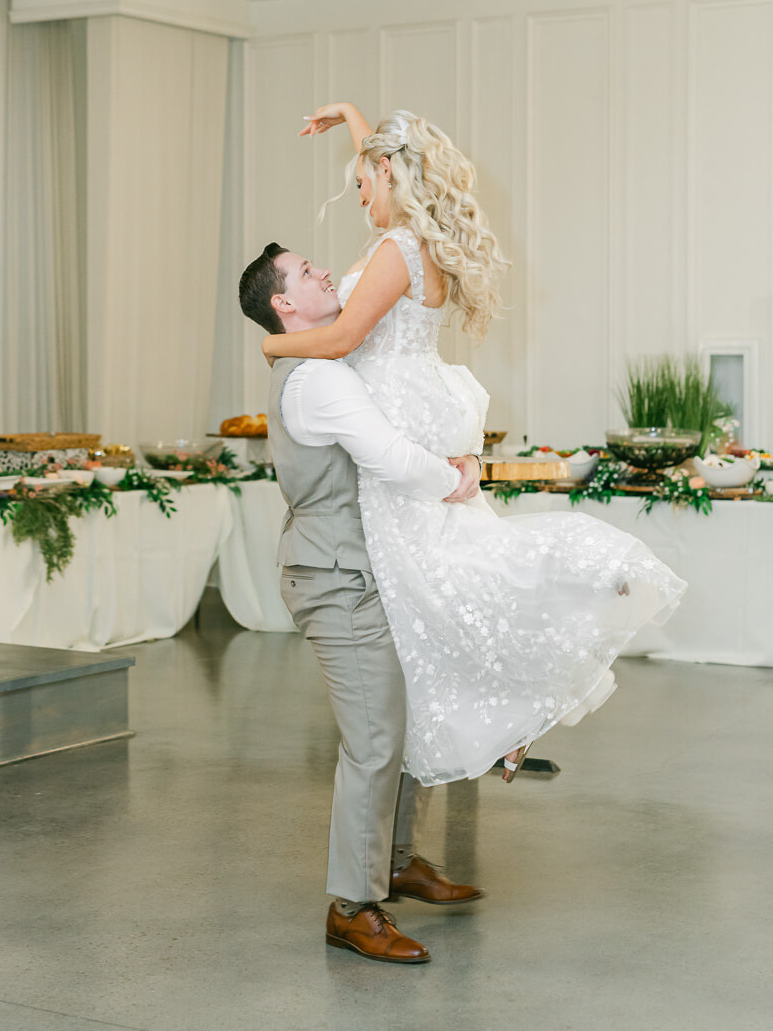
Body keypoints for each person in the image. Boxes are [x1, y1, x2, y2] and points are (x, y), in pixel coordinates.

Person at [259, 103, 688, 787]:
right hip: (416, 401)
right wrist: (350, 117)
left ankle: (514, 704)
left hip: (395, 415)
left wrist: (270, 342)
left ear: (389, 173)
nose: (359, 196)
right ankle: (505, 721)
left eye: (363, 182)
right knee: (436, 577)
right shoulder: (412, 241)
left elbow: (340, 340)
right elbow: (382, 154)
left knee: (431, 583)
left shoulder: (397, 248)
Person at [239, 243, 484, 966]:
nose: (325, 272)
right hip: (336, 576)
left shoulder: (328, 362)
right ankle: (351, 906)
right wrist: (461, 477)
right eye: (307, 272)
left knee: (406, 715)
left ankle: (398, 860)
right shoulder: (315, 378)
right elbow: (389, 457)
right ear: (284, 305)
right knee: (375, 738)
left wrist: (352, 121)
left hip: (373, 568)